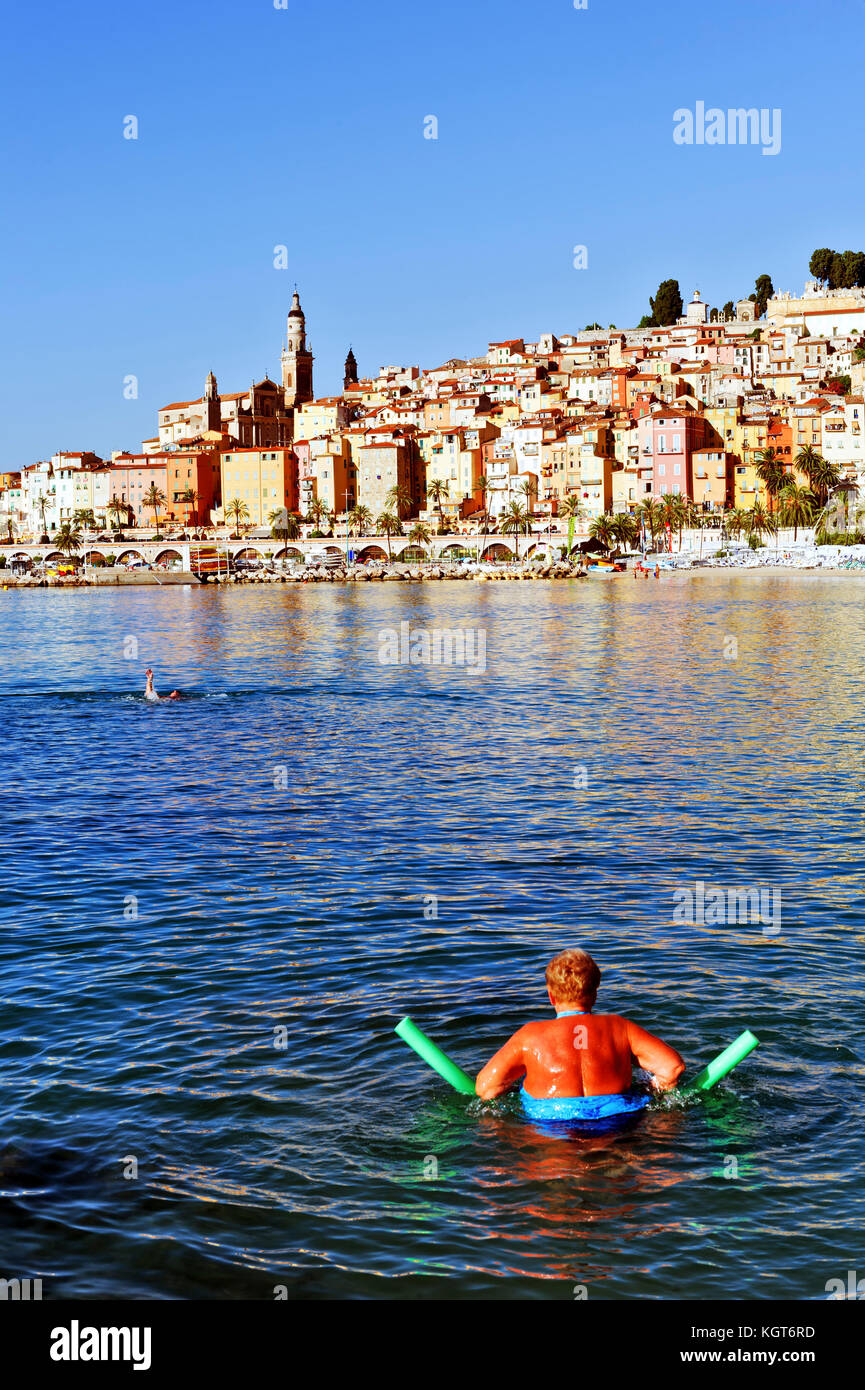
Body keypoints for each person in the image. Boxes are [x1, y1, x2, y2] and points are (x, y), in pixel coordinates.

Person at [475, 948, 684, 1119]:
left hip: (551, 1126)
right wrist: (648, 1089)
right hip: (618, 1121)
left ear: (551, 997)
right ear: (595, 993)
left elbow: (486, 1088)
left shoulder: (529, 1036)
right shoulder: (620, 1027)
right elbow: (672, 1068)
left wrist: (514, 1094)